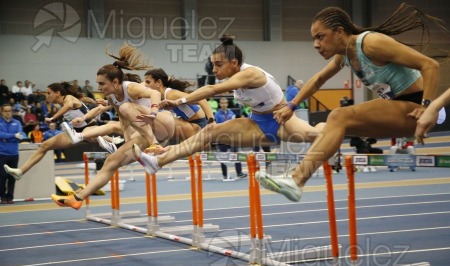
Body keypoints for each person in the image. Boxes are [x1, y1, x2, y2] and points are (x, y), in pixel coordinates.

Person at [255, 4, 448, 202]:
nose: (315, 44)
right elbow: (319, 79)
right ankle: (301, 177)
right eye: (314, 38)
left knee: (339, 116)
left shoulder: (371, 43)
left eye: (320, 36)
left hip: (417, 107)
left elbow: (430, 65)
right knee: (332, 126)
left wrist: (427, 107)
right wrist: (291, 106)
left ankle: (296, 180)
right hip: (399, 110)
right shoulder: (345, 55)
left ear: (339, 32)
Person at [132, 35, 324, 183]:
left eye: (218, 65)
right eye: (212, 65)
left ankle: (329, 127)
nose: (214, 70)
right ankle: (157, 162)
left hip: (282, 119)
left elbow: (212, 89)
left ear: (234, 63)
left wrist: (180, 100)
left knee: (315, 135)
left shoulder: (250, 74)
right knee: (210, 131)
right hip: (257, 122)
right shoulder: (233, 77)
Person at [50, 43, 175, 210]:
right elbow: (124, 123)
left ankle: (155, 146)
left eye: (102, 84)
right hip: (146, 133)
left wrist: (153, 111)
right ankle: (77, 198)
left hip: (164, 124)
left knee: (124, 110)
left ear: (116, 82)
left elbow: (155, 93)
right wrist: (128, 144)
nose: (99, 88)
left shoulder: (130, 88)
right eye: (98, 83)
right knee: (111, 161)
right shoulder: (113, 98)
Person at [3, 81, 114, 180]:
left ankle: (117, 142)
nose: (47, 96)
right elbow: (85, 100)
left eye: (49, 93)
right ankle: (20, 171)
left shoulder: (68, 98)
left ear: (57, 93)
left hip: (89, 128)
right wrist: (94, 101)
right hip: (75, 133)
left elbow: (69, 105)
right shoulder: (63, 103)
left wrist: (52, 118)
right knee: (45, 145)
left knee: (92, 134)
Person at [143, 68, 214, 144]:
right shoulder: (159, 98)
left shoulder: (170, 94)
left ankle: (153, 147)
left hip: (198, 125)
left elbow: (201, 99)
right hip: (187, 123)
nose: (146, 86)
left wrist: (211, 121)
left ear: (159, 82)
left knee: (158, 122)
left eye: (148, 82)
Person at [215, 97, 247, 179]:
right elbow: (218, 126)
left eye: (225, 103)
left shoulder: (231, 112)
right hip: (222, 138)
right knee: (223, 156)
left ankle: (239, 173)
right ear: (220, 104)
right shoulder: (217, 114)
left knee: (236, 154)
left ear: (227, 104)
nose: (223, 105)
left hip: (232, 137)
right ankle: (225, 175)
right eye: (222, 103)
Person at [0, 104, 23, 204]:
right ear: (1, 112)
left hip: (14, 154)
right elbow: (0, 135)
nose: (8, 113)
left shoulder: (17, 122)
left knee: (12, 177)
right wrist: (13, 135)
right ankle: (2, 197)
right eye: (5, 111)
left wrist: (6, 138)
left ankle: (10, 197)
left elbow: (20, 134)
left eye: (9, 111)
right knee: (2, 177)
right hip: (2, 153)